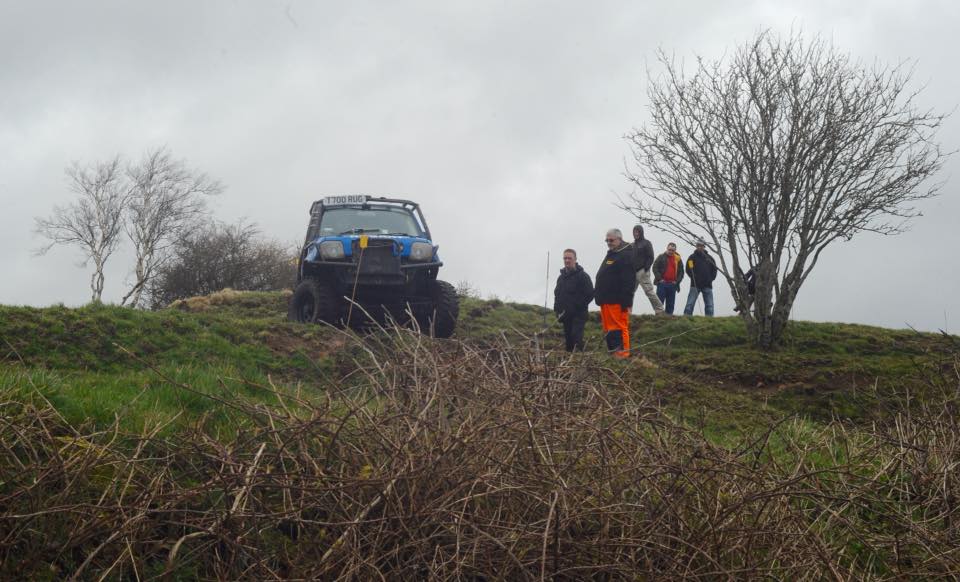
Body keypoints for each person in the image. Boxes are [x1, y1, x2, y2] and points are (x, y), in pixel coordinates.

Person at [594, 229, 635, 358]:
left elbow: (629, 281)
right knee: (609, 329)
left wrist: (627, 302)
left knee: (619, 328)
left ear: (619, 239)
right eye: (607, 240)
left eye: (611, 240)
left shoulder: (625, 255)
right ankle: (613, 354)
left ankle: (622, 356)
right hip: (606, 300)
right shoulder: (613, 254)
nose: (608, 243)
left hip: (617, 301)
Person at [553, 248, 594, 352]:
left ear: (575, 259)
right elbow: (557, 294)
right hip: (565, 316)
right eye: (565, 258)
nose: (567, 260)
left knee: (576, 338)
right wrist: (557, 310)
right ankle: (569, 361)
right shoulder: (561, 278)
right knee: (568, 342)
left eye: (569, 258)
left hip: (578, 316)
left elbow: (590, 294)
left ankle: (578, 358)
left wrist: (577, 307)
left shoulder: (583, 276)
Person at [631, 225, 664, 315]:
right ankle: (628, 312)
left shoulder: (646, 243)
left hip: (643, 272)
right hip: (633, 272)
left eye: (637, 232)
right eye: (634, 232)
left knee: (649, 291)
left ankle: (660, 310)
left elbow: (651, 257)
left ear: (641, 232)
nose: (635, 233)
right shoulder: (632, 245)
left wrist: (645, 268)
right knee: (630, 292)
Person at [683, 238, 718, 316]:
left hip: (707, 285)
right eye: (698, 245)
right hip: (695, 285)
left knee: (710, 305)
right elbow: (688, 269)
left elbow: (714, 270)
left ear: (704, 246)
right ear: (696, 246)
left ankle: (709, 320)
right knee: (690, 304)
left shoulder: (710, 258)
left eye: (702, 246)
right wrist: (694, 278)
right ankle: (686, 318)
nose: (700, 247)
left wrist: (710, 279)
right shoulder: (691, 257)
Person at [652, 242, 684, 315]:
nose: (671, 251)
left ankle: (669, 319)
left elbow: (681, 272)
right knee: (659, 303)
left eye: (673, 250)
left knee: (670, 304)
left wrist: (677, 281)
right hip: (662, 284)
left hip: (672, 285)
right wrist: (660, 279)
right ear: (667, 248)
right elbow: (654, 267)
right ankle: (658, 318)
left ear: (675, 250)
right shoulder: (661, 257)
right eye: (669, 250)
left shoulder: (678, 259)